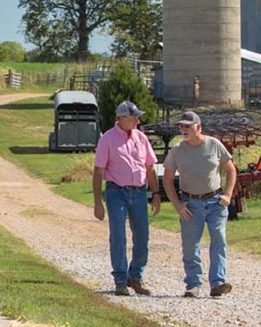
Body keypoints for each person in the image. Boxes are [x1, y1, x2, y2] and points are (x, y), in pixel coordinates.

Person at [163, 111, 236, 298]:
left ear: (199, 127)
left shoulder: (214, 145)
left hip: (215, 201)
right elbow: (168, 180)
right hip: (190, 203)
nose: (183, 129)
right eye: (181, 126)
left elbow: (231, 170)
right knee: (190, 245)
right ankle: (193, 285)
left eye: (188, 126)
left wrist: (227, 194)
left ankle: (218, 283)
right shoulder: (177, 151)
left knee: (218, 240)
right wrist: (178, 205)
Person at [92, 101, 161, 296]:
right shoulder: (107, 139)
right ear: (122, 118)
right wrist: (98, 203)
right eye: (134, 117)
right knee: (118, 236)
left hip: (139, 192)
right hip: (116, 193)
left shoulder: (141, 138)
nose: (138, 120)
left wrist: (156, 193)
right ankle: (120, 279)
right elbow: (98, 172)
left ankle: (135, 276)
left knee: (142, 236)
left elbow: (149, 167)